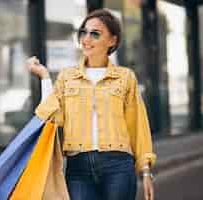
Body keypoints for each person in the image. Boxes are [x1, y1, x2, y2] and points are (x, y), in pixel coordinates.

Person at [26, 8, 156, 200]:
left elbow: (138, 126)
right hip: (78, 168)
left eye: (95, 34)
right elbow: (52, 117)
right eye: (83, 32)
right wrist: (45, 77)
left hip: (118, 166)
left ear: (113, 40)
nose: (86, 39)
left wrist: (145, 171)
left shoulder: (125, 77)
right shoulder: (67, 76)